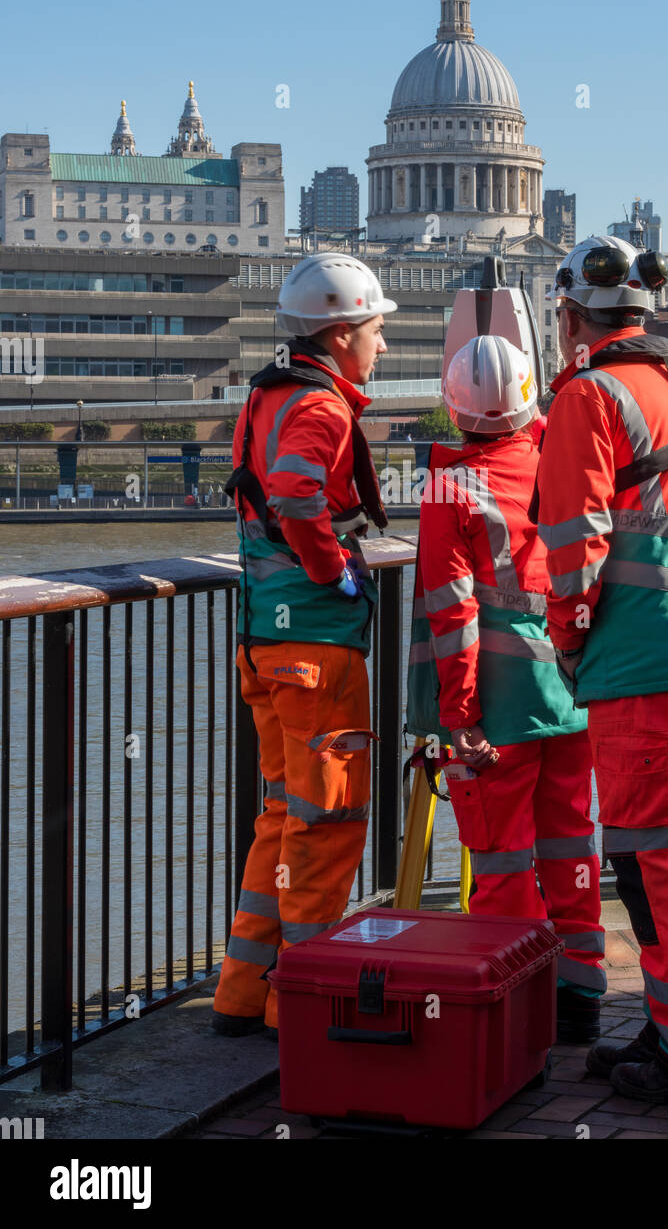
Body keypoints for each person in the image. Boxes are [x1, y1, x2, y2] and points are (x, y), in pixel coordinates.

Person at [536, 235, 668, 1106]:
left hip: (642, 661)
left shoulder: (588, 393)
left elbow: (571, 542)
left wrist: (567, 641)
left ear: (568, 319)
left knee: (652, 857)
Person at [212, 253, 396, 1037]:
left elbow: (268, 492)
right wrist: (331, 572)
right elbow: (294, 493)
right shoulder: (320, 409)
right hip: (315, 643)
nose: (383, 345)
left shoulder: (269, 395)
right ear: (344, 329)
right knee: (327, 821)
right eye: (378, 329)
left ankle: (242, 991)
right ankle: (303, 1005)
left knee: (283, 814)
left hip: (265, 639)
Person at [406, 335, 605, 1042]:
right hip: (574, 690)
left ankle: (516, 1013)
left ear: (451, 407)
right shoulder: (563, 457)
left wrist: (459, 716)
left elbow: (451, 612)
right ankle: (581, 995)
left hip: (496, 709)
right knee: (570, 845)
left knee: (501, 863)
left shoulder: (450, 485)